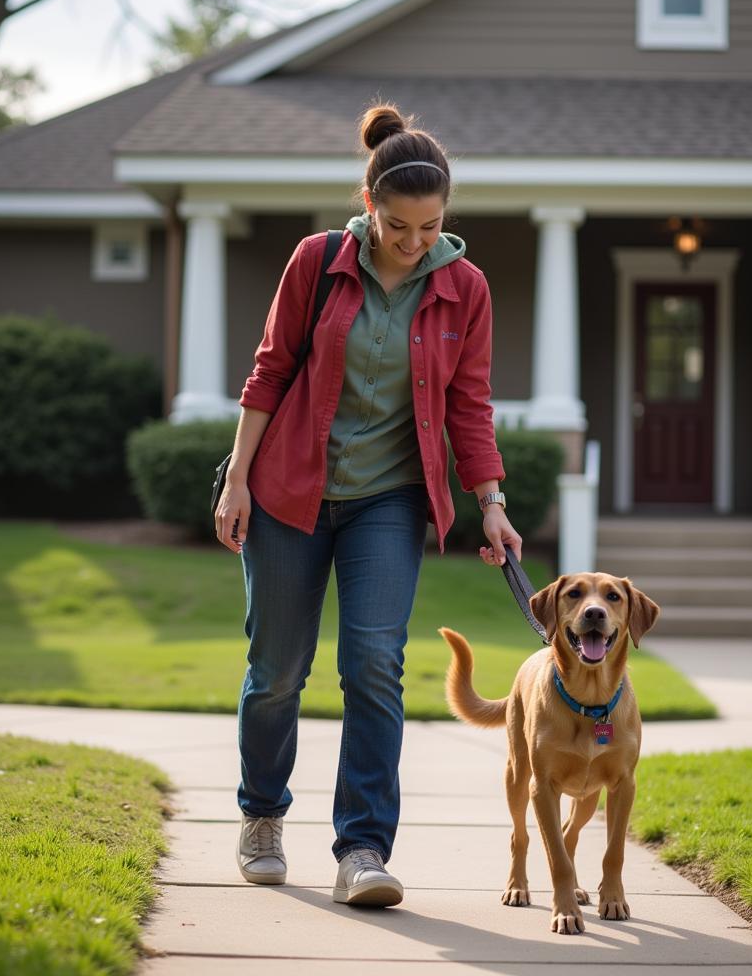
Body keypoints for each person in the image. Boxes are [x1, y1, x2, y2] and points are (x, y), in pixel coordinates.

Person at [214, 103, 522, 908]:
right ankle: (262, 817)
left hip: (388, 500)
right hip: (288, 491)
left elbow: (470, 405)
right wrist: (237, 477)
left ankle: (362, 850)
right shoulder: (318, 261)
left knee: (375, 667)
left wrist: (490, 500)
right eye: (398, 225)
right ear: (368, 202)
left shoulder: (466, 290)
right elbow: (270, 371)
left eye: (430, 227)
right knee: (277, 670)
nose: (413, 242)